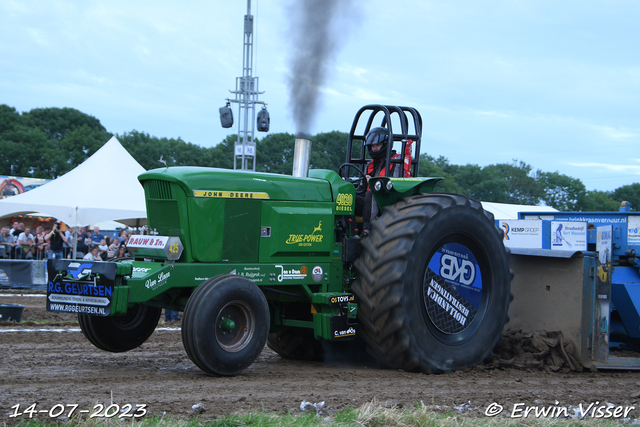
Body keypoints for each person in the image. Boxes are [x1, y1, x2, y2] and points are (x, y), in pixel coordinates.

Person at [355, 127, 412, 237]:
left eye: (377, 145)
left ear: (385, 143)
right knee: (347, 197)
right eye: (372, 146)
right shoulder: (370, 164)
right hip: (368, 203)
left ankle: (367, 231)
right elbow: (361, 188)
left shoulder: (397, 161)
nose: (374, 148)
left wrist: (372, 182)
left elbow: (394, 184)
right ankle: (351, 234)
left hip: (387, 201)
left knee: (370, 193)